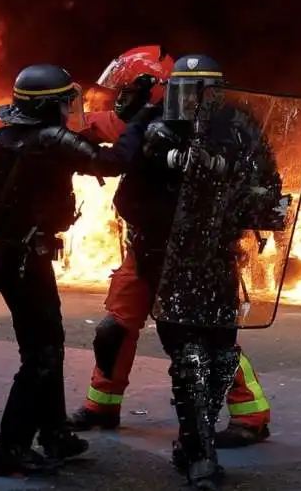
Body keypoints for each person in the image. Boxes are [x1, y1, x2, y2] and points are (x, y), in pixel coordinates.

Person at [70, 47, 272, 448]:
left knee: (211, 336)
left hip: (202, 250)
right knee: (116, 327)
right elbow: (108, 135)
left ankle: (251, 414)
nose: (121, 99)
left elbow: (263, 182)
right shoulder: (150, 121)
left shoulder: (237, 126)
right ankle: (102, 405)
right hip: (147, 243)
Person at [0, 63, 161, 476]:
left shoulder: (2, 137)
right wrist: (143, 115)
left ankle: (54, 433)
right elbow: (114, 163)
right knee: (40, 354)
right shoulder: (48, 140)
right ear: (50, 107)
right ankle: (10, 447)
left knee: (48, 344)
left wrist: (126, 113)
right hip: (25, 259)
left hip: (12, 256)